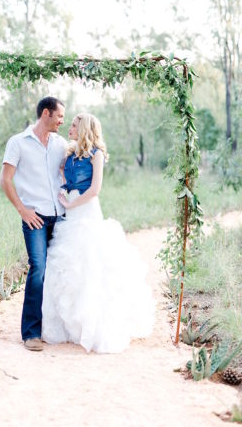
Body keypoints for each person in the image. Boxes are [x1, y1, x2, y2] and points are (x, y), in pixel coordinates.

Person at [42, 113, 155, 353]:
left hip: (86, 211)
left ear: (83, 129)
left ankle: (92, 324)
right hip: (70, 212)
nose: (69, 128)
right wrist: (65, 189)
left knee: (90, 262)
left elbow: (95, 189)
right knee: (68, 264)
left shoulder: (97, 155)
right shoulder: (70, 154)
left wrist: (72, 203)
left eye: (73, 125)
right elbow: (64, 177)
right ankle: (67, 325)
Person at [0, 96, 66, 351]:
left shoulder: (61, 144)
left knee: (60, 270)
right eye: (59, 116)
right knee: (38, 268)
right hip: (35, 217)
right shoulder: (18, 143)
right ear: (46, 113)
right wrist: (22, 210)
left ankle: (56, 328)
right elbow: (6, 180)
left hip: (59, 216)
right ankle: (31, 333)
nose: (62, 121)